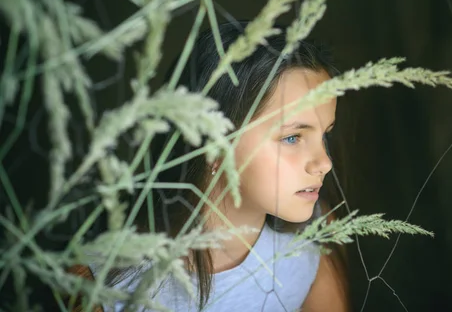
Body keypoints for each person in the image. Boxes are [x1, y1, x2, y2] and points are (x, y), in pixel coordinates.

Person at [83, 20, 349, 311]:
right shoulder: (103, 282)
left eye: (325, 134)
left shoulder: (317, 233)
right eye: (292, 138)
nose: (324, 162)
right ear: (212, 140)